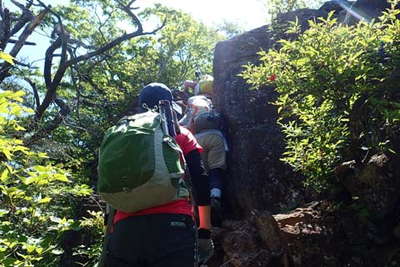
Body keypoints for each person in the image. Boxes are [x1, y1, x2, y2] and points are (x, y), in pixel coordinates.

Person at [103, 83, 213, 267]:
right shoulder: (179, 134)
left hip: (124, 230)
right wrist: (204, 231)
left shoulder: (122, 137)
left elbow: (110, 184)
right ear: (169, 105)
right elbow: (200, 181)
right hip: (172, 226)